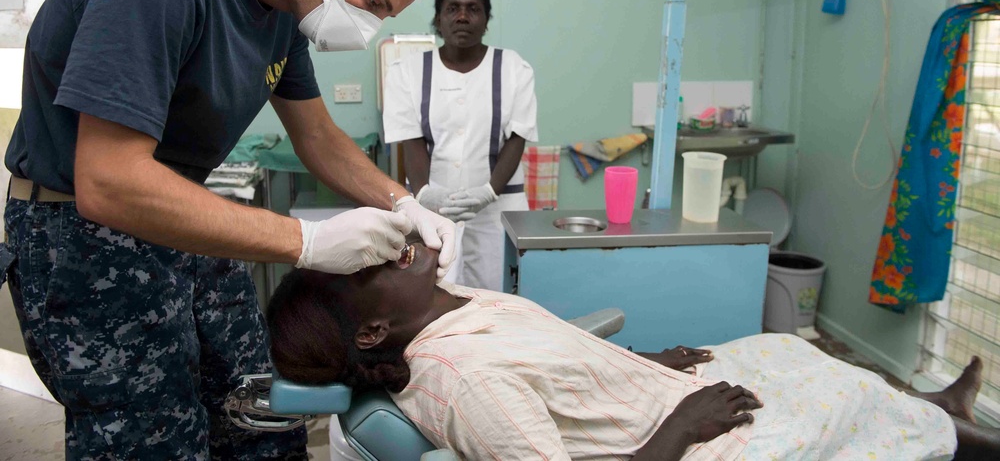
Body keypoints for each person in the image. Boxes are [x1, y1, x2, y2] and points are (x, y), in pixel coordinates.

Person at [1, 0, 457, 460]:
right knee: (153, 439)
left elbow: (317, 137)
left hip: (182, 216)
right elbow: (108, 180)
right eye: (372, 0)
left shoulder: (284, 13)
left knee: (261, 411)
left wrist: (405, 204)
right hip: (81, 236)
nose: (368, 26)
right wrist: (307, 240)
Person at [268, 238, 1000, 461]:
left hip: (645, 393)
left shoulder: (452, 303)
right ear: (369, 333)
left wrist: (643, 360)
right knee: (851, 396)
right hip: (668, 444)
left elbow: (548, 356)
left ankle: (930, 404)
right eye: (369, 267)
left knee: (785, 347)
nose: (389, 249)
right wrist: (682, 426)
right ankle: (960, 435)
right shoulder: (466, 381)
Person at [382, 0, 537, 290]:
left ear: (486, 20)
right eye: (452, 8)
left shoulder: (514, 69)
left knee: (501, 299)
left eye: (473, 9)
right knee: (434, 296)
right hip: (433, 210)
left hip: (499, 212)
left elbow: (517, 139)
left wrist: (488, 192)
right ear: (438, 19)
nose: (463, 16)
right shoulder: (407, 73)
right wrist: (426, 193)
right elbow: (411, 143)